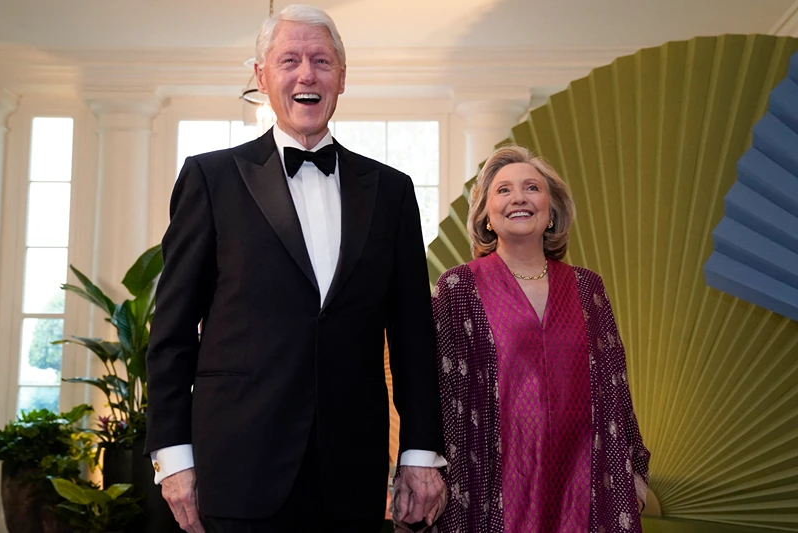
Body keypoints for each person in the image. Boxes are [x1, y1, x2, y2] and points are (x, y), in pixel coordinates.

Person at [144, 5, 447, 532]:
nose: (306, 74)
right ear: (262, 77)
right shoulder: (209, 179)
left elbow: (413, 336)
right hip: (236, 468)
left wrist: (421, 451)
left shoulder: (393, 192)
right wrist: (173, 457)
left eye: (321, 61)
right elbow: (170, 335)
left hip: (351, 474)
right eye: (289, 60)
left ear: (343, 78)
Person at [431, 145, 650, 533]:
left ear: (551, 209)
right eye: (503, 190)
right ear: (485, 215)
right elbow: (442, 393)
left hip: (583, 481)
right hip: (492, 485)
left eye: (531, 187)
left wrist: (632, 466)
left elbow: (615, 385)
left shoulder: (587, 287)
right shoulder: (459, 286)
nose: (518, 197)